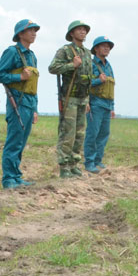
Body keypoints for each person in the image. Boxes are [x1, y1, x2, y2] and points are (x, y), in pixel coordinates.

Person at [0, 19, 41, 189]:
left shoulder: (32, 56)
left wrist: (36, 109)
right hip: (17, 102)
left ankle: (16, 176)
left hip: (29, 103)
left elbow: (34, 86)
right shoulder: (12, 52)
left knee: (22, 141)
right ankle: (9, 178)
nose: (33, 33)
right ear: (20, 34)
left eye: (34, 30)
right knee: (14, 141)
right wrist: (19, 77)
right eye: (30, 30)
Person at [49, 20, 93, 178]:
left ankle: (74, 163)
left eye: (84, 29)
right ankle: (64, 166)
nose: (82, 32)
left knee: (80, 134)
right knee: (68, 133)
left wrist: (88, 100)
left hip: (82, 98)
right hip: (69, 98)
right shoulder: (66, 51)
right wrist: (71, 65)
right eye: (79, 29)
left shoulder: (87, 53)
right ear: (72, 33)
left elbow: (89, 77)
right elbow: (53, 68)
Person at [83, 35, 116, 174]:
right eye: (103, 45)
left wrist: (112, 107)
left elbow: (111, 87)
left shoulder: (108, 66)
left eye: (108, 46)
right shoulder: (90, 64)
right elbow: (84, 83)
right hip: (95, 103)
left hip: (107, 105)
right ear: (96, 48)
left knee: (104, 134)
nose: (107, 48)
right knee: (92, 134)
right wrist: (98, 80)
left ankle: (98, 160)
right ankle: (89, 162)